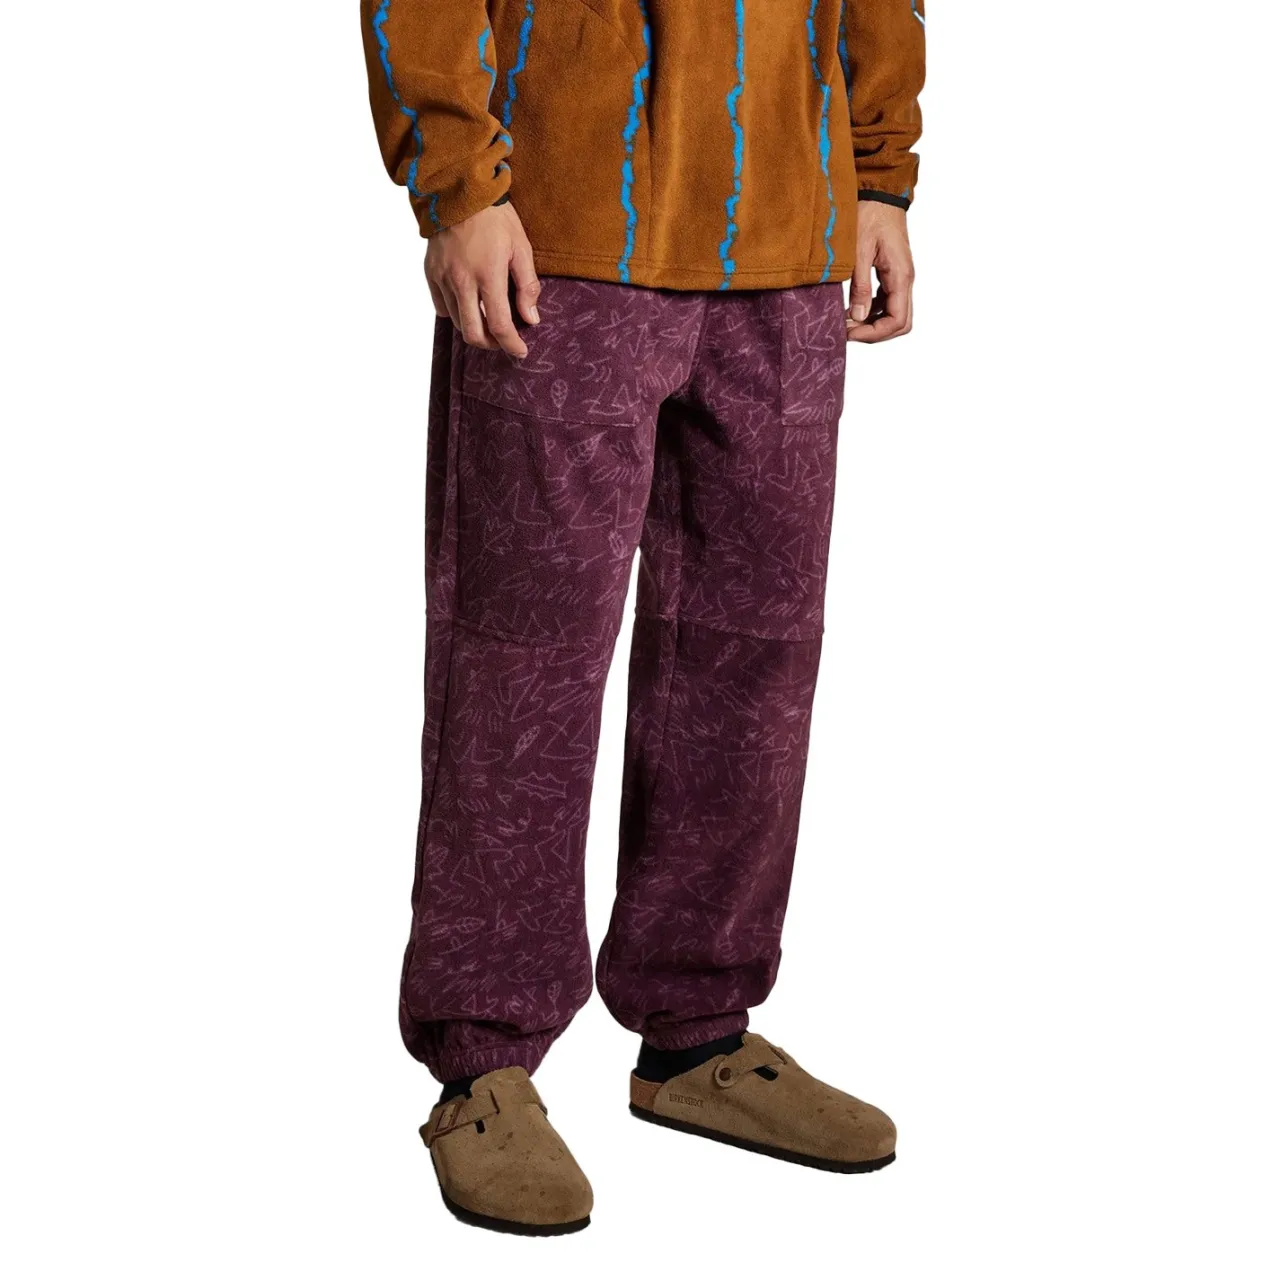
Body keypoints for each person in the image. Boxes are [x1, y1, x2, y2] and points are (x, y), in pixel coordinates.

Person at [360, 0, 924, 1235]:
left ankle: (694, 1031)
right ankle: (481, 1062)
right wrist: (457, 187)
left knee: (754, 654)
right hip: (563, 225)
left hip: (788, 230)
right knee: (521, 664)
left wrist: (878, 171)